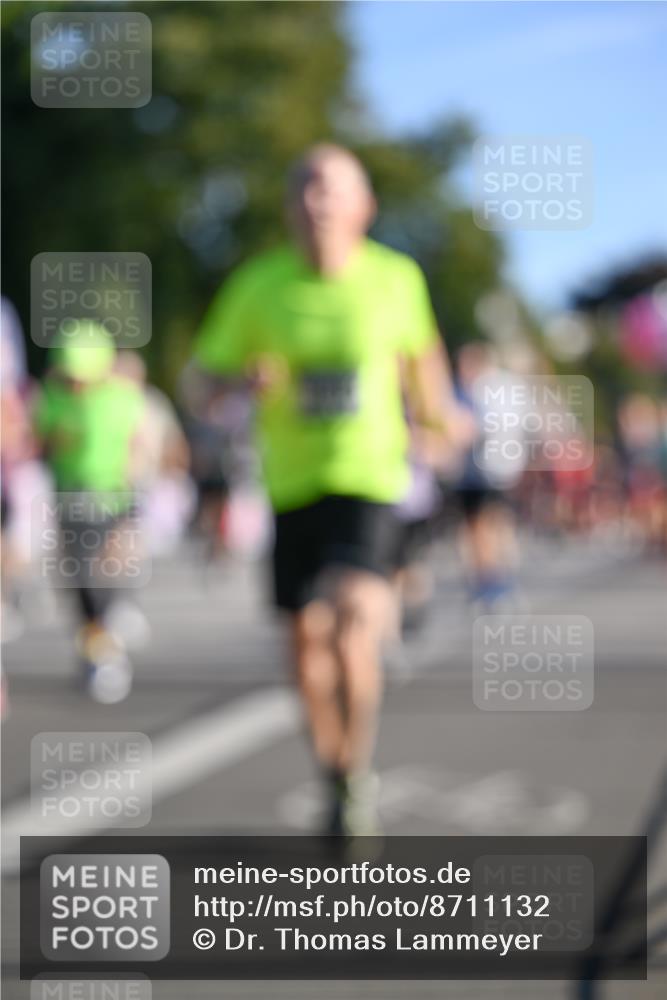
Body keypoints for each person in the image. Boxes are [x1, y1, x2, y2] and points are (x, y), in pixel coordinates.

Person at [184, 144, 461, 836]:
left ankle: (358, 762)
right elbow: (198, 381)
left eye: (332, 189)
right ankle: (335, 772)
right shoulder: (257, 286)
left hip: (368, 476)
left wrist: (441, 419)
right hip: (290, 486)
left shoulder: (395, 279)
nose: (317, 202)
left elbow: (422, 362)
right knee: (304, 648)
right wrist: (234, 384)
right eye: (304, 188)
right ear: (288, 209)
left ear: (363, 207)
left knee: (352, 616)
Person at [33, 322, 147, 703]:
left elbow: (136, 447)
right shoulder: (52, 397)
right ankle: (95, 645)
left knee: (108, 575)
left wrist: (132, 505)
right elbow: (42, 440)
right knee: (78, 579)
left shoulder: (122, 397)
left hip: (112, 500)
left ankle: (107, 645)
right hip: (69, 500)